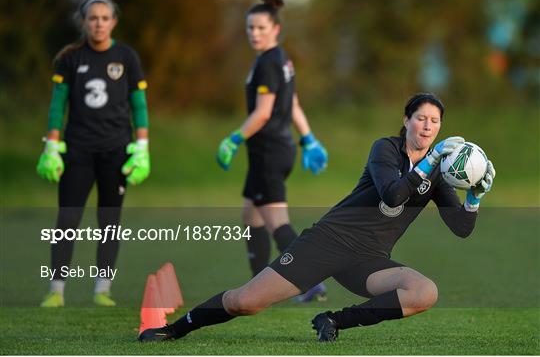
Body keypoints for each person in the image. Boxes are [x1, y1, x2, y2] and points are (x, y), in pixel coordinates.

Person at [139, 92, 495, 342]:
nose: (428, 126)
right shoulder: (385, 149)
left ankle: (333, 320)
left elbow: (461, 227)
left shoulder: (437, 174)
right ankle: (175, 329)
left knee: (423, 292)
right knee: (245, 302)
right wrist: (431, 162)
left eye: (435, 121)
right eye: (421, 118)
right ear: (407, 120)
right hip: (328, 241)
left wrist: (475, 196)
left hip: (369, 260)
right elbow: (393, 194)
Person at [37, 0, 150, 307]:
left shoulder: (127, 57)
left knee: (110, 221)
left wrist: (142, 147)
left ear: (113, 22)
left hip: (116, 152)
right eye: (92, 18)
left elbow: (138, 106)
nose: (98, 23)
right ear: (83, 22)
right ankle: (56, 289)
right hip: (78, 151)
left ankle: (103, 289)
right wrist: (51, 146)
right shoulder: (70, 58)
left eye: (104, 18)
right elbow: (57, 106)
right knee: (67, 219)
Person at [215, 0, 329, 302]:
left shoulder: (268, 63)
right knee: (250, 215)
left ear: (276, 28)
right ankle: (257, 283)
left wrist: (233, 139)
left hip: (268, 152)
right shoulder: (280, 59)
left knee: (277, 223)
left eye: (261, 28)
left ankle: (311, 281)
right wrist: (307, 138)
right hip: (277, 150)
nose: (254, 33)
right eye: (250, 28)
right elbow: (291, 102)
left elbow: (264, 112)